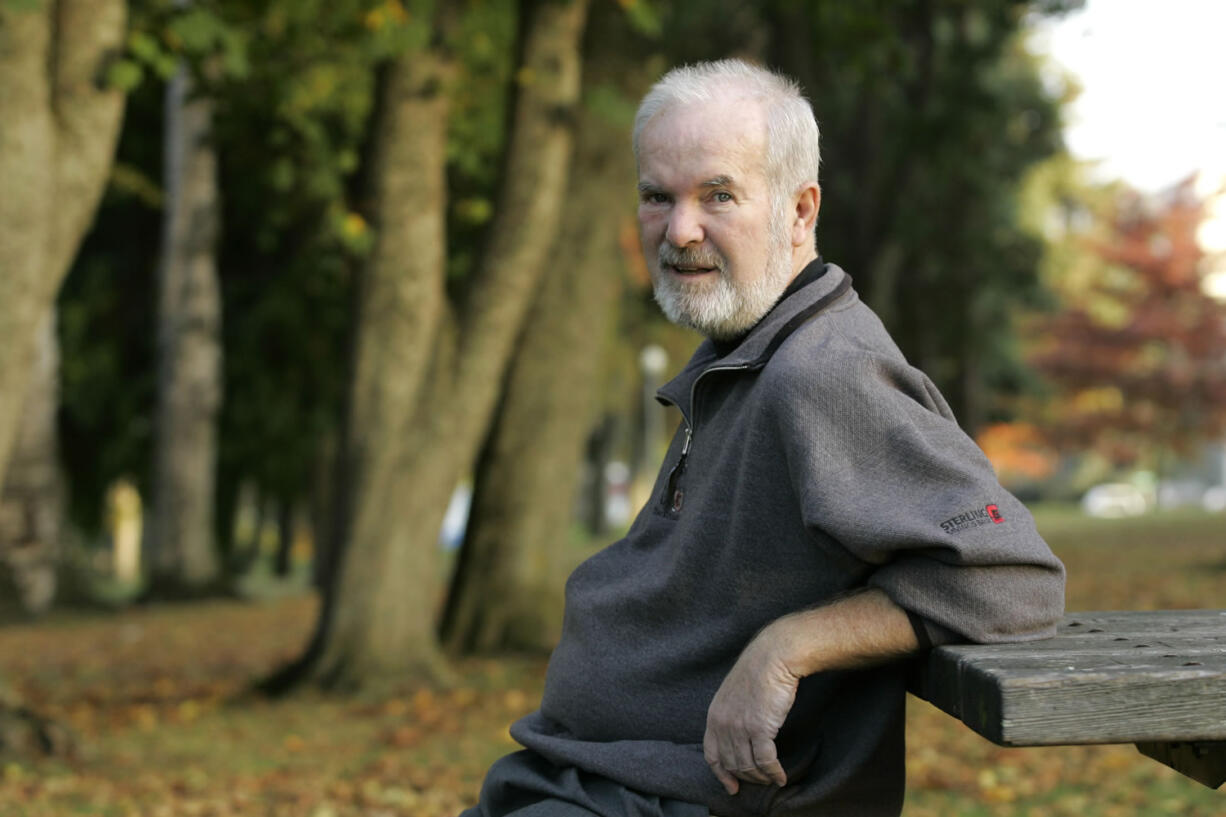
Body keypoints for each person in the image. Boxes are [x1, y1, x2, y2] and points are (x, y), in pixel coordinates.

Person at [461, 58, 1065, 817]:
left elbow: (1012, 577)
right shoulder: (746, 346)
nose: (680, 230)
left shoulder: (822, 371)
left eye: (718, 195)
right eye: (658, 196)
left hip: (682, 800)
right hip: (591, 775)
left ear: (800, 211)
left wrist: (789, 647)